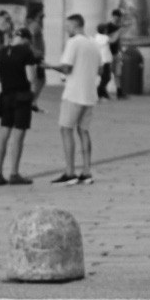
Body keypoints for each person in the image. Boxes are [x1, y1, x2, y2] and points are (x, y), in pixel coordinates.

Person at [51, 13, 104, 183]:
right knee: (83, 131)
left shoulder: (73, 42)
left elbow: (66, 68)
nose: (67, 30)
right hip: (89, 94)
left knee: (66, 130)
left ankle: (70, 171)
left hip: (74, 93)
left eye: (68, 27)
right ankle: (87, 171)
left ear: (75, 25)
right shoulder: (93, 44)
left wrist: (48, 66)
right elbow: (101, 70)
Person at [0, 24, 39, 184]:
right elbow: (31, 77)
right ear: (24, 39)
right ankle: (14, 173)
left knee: (3, 134)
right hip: (22, 97)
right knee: (18, 136)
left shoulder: (1, 52)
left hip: (5, 97)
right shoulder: (26, 52)